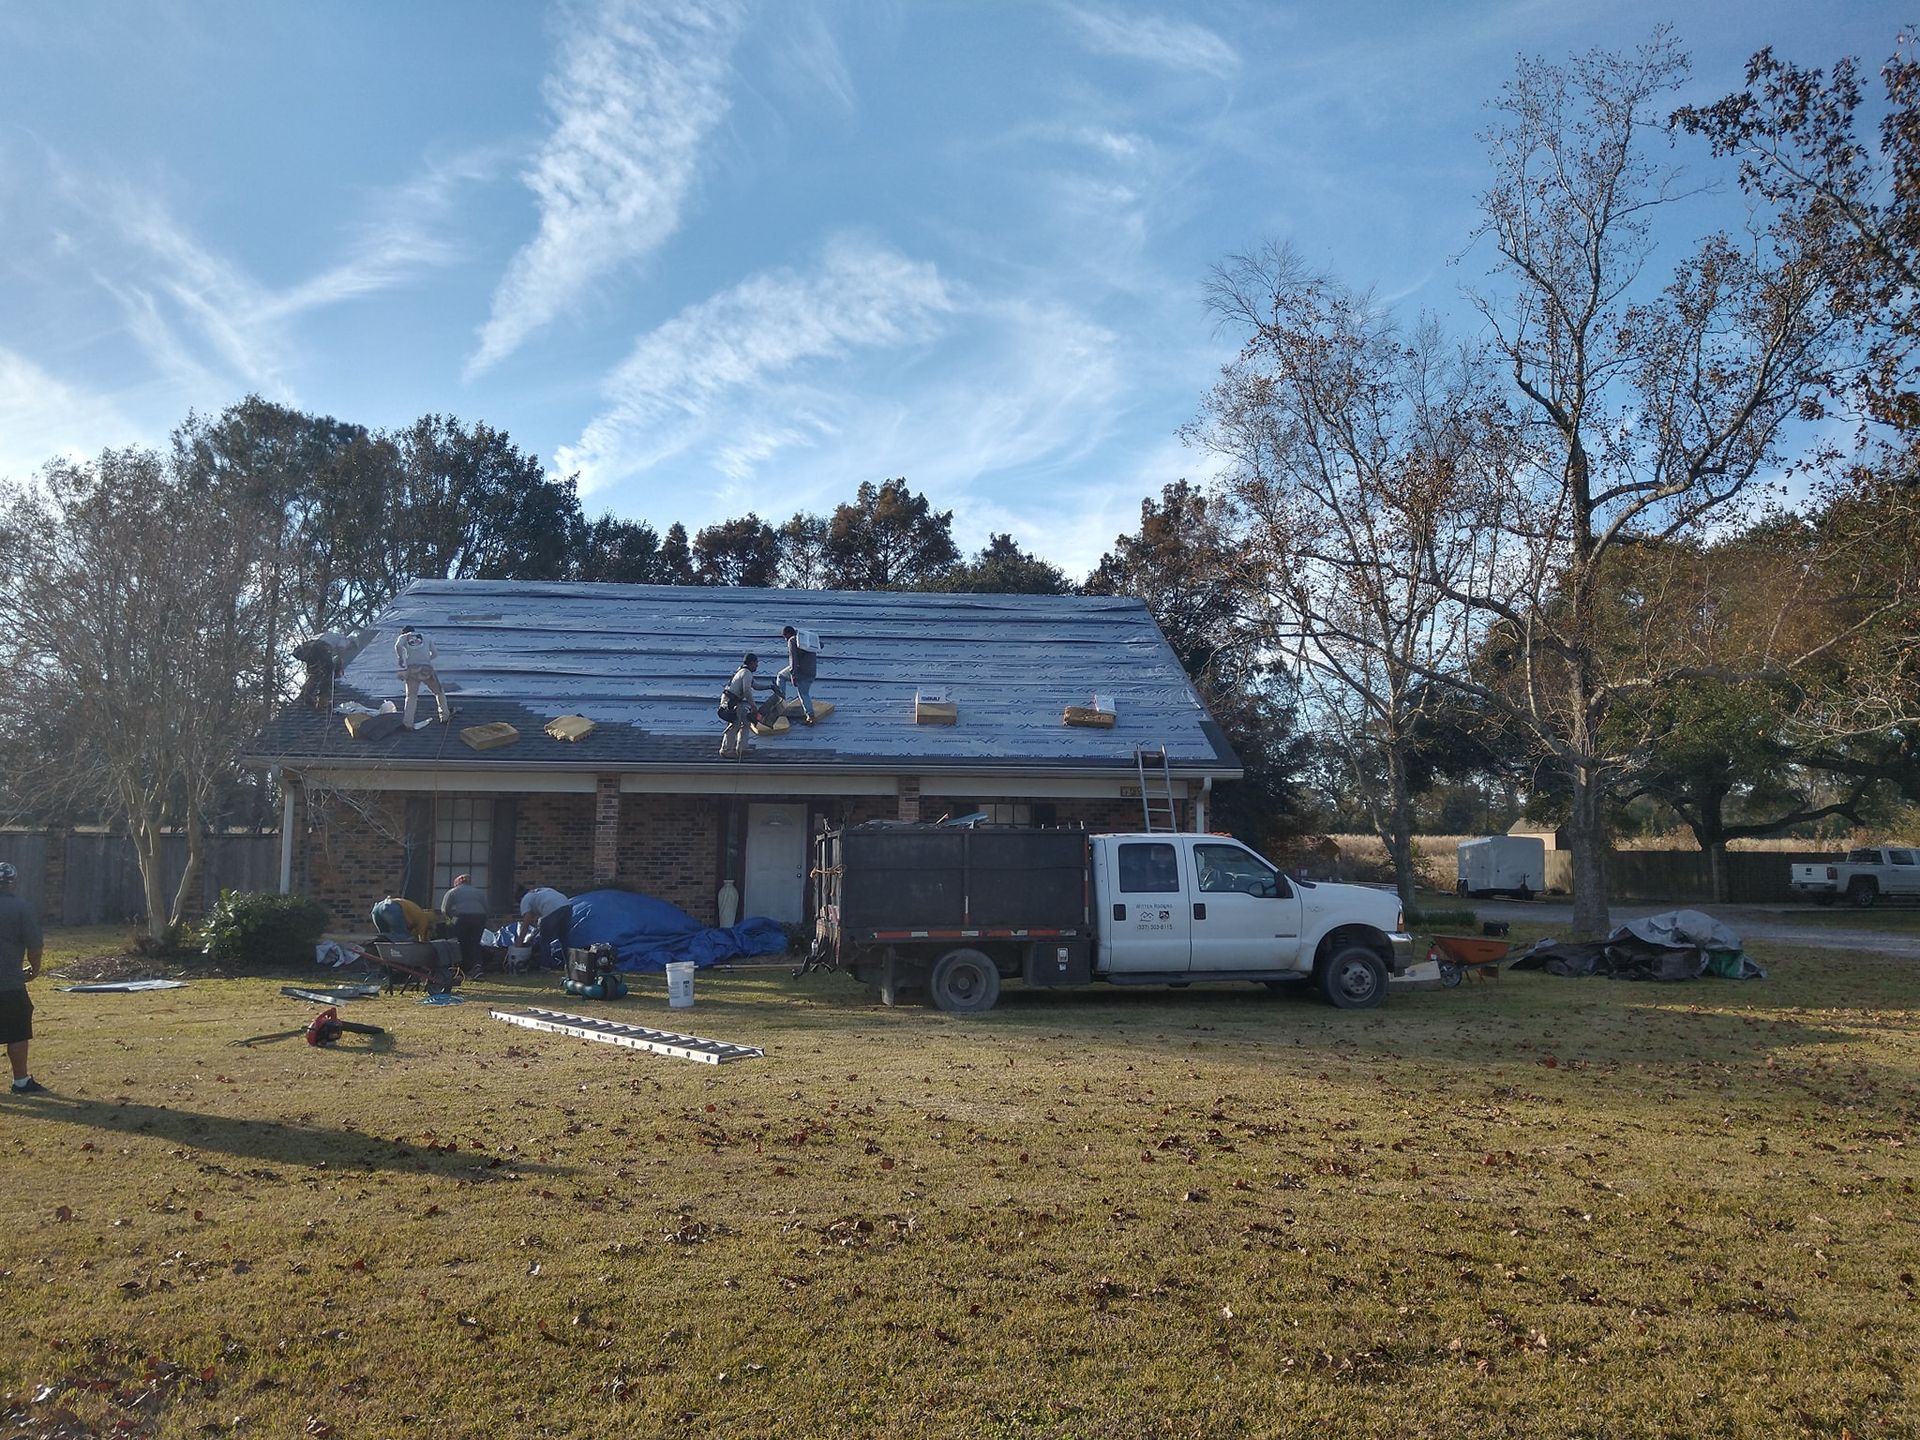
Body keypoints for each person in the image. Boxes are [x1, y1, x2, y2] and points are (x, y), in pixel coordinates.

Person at [0, 861, 47, 1096]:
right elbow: (35, 946)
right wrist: (34, 969)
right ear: (13, 883)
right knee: (17, 1031)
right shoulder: (21, 907)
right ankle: (20, 1082)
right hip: (8, 983)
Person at [394, 625, 451, 729]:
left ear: (403, 632)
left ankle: (408, 723)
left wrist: (400, 658)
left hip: (412, 670)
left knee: (411, 696)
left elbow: (398, 646)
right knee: (438, 692)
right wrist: (426, 659)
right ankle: (445, 716)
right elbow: (435, 653)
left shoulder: (404, 637)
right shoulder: (426, 637)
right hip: (426, 669)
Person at [718, 652, 773, 758]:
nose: (757, 665)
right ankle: (726, 749)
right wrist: (753, 705)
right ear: (752, 663)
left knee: (746, 722)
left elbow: (755, 686)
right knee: (735, 724)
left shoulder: (744, 672)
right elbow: (747, 690)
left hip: (734, 700)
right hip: (730, 701)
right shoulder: (746, 672)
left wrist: (769, 687)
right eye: (756, 663)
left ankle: (742, 748)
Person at [441, 873, 490, 976]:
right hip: (479, 917)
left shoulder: (452, 892)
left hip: (462, 917)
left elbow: (445, 909)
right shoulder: (478, 892)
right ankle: (477, 966)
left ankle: (460, 968)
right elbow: (487, 908)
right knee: (475, 942)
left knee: (460, 942)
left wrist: (453, 921)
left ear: (457, 883)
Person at [518, 884, 573, 969]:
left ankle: (545, 965)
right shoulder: (539, 892)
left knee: (544, 939)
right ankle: (570, 964)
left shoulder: (525, 899)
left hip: (553, 909)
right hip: (567, 905)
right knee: (564, 938)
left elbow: (526, 924)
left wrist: (519, 942)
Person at [774, 625, 819, 725]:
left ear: (789, 634)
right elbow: (821, 645)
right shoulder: (804, 638)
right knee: (804, 693)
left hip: (800, 671)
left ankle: (780, 704)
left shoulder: (792, 640)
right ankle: (810, 715)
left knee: (781, 677)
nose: (785, 639)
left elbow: (793, 659)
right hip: (812, 671)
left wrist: (793, 675)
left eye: (785, 637)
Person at [371, 892, 438, 943]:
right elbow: (421, 939)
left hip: (377, 908)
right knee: (403, 938)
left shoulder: (417, 913)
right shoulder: (424, 919)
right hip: (392, 909)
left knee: (385, 938)